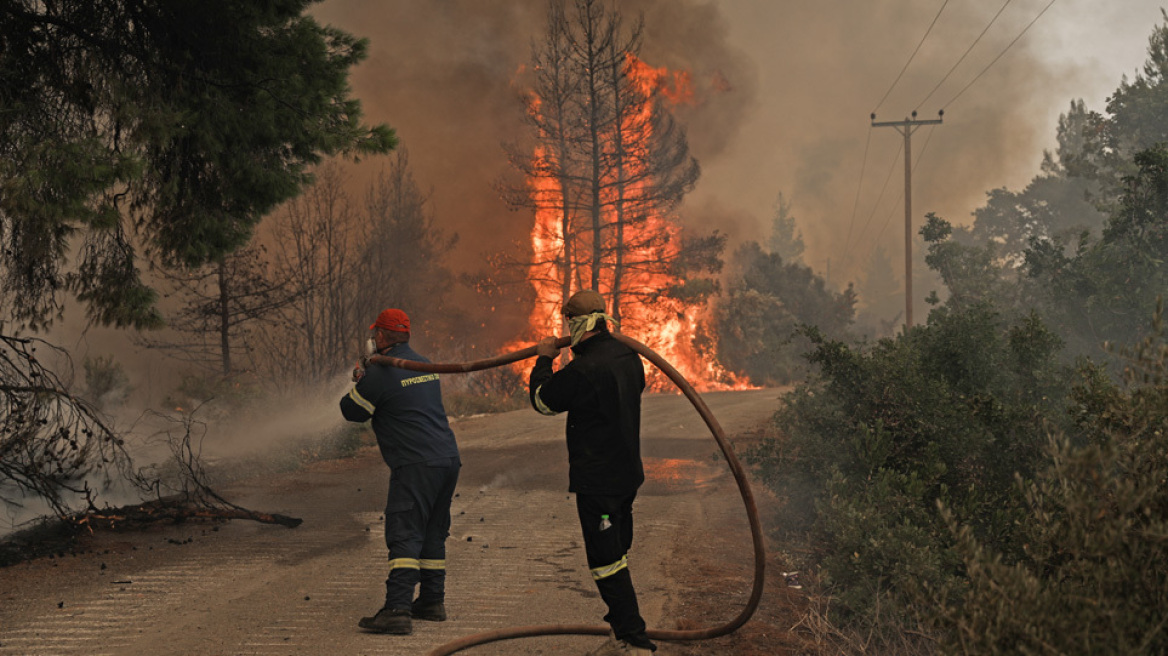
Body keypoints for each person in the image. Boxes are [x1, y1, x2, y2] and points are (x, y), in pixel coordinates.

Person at [529, 290, 656, 655]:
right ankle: (620, 628)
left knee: (605, 559)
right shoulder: (629, 356)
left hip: (598, 481)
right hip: (627, 474)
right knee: (618, 548)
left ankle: (634, 636)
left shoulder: (584, 370)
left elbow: (542, 401)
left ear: (573, 323)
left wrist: (543, 361)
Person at [340, 308, 461, 635]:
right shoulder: (425, 365)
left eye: (374, 335)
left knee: (405, 532)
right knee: (433, 531)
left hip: (416, 465)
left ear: (380, 337)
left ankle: (397, 609)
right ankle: (432, 601)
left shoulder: (380, 374)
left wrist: (361, 379)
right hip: (447, 459)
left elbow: (351, 411)